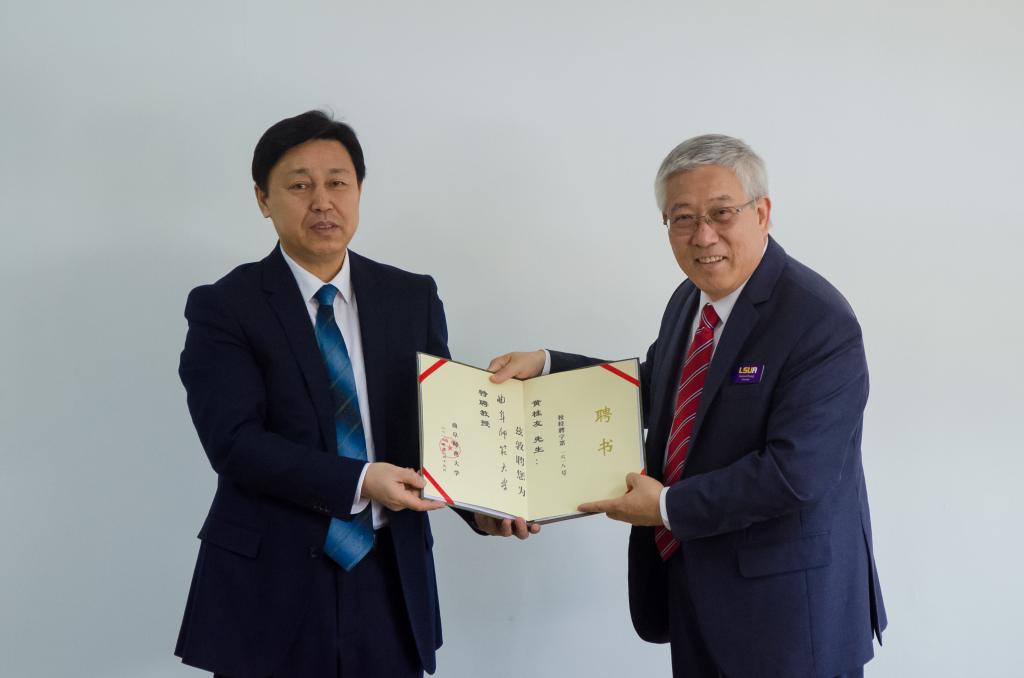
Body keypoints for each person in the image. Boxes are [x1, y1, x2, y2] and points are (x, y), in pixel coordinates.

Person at [489, 134, 886, 677]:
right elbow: (663, 391)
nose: (703, 236)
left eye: (721, 213)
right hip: (697, 596)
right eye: (682, 218)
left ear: (762, 213)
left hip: (790, 619)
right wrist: (549, 367)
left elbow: (796, 473)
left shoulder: (818, 321)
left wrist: (667, 508)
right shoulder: (689, 299)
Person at [175, 110, 534, 678]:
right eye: (300, 185)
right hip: (270, 583)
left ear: (359, 191)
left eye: (337, 183)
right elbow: (235, 444)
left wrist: (482, 507)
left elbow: (442, 429)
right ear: (263, 199)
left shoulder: (410, 297)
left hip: (390, 580)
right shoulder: (225, 307)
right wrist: (361, 481)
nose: (322, 201)